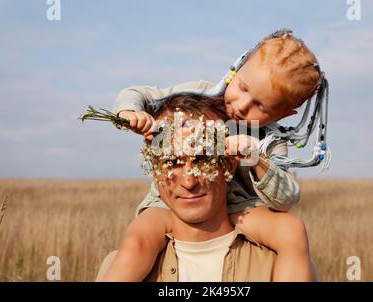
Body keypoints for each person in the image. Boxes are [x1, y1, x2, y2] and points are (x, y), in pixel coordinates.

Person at [106, 30, 324, 281]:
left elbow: (286, 199)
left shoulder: (271, 141)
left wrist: (255, 158)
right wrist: (129, 111)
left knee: (292, 231)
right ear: (237, 68)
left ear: (284, 114)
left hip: (243, 208)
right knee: (138, 239)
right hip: (166, 203)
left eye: (260, 106)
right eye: (243, 88)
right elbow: (139, 94)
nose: (242, 106)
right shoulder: (198, 95)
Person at [96, 94, 314, 282]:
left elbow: (287, 199)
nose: (189, 182)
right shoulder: (119, 265)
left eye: (202, 160)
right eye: (172, 162)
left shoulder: (279, 264)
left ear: (229, 163)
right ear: (154, 168)